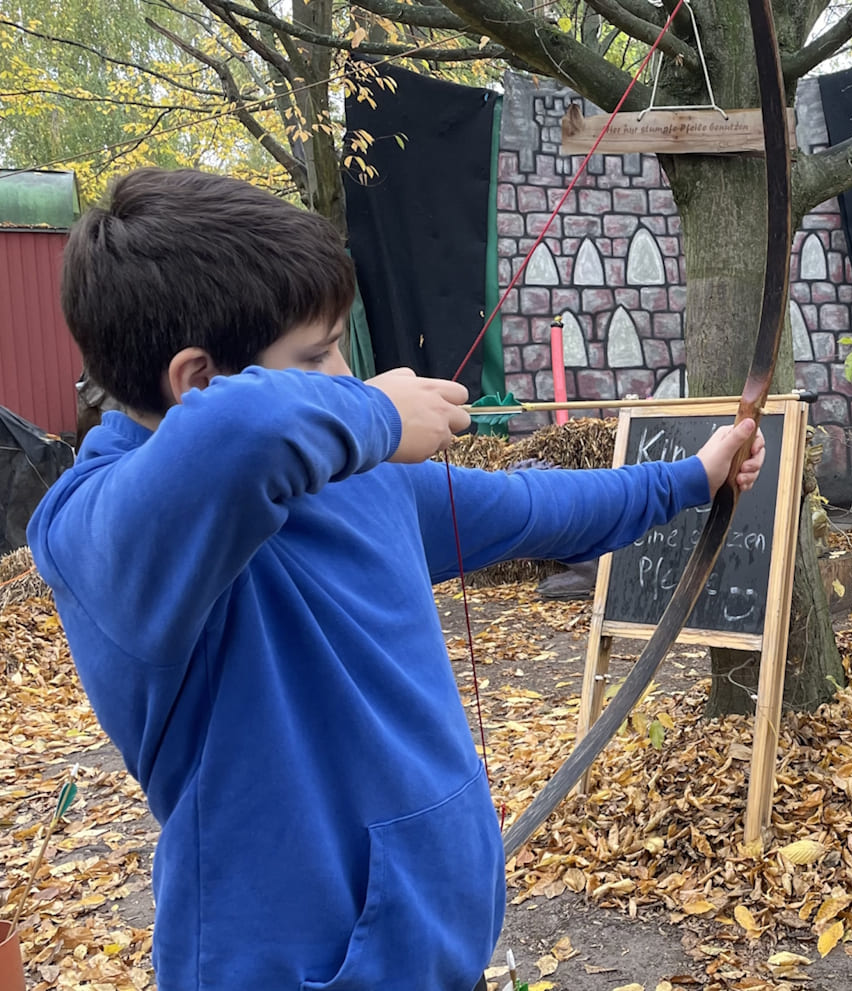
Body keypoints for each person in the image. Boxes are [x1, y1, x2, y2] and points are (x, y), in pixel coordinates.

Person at [26, 168, 764, 991]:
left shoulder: (356, 480)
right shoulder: (100, 534)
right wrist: (380, 413)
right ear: (198, 379)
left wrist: (693, 479)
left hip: (428, 948)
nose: (347, 373)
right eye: (318, 354)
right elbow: (237, 436)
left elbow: (534, 507)